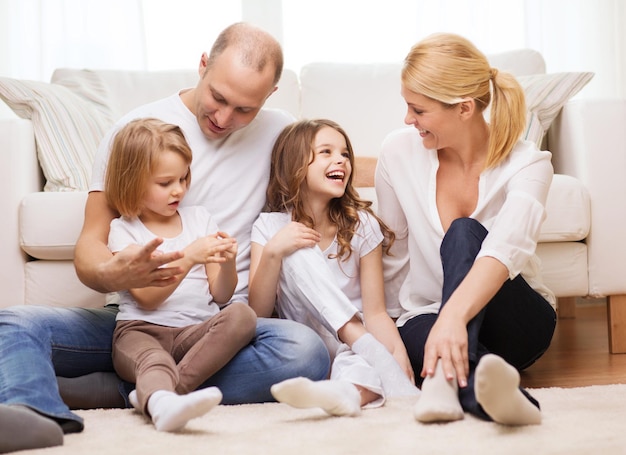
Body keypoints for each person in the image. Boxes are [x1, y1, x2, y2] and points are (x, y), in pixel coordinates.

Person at [0, 22, 330, 453]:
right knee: (16, 324)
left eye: (245, 110)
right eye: (218, 97)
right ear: (202, 65)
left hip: (215, 330)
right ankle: (33, 412)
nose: (224, 119)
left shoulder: (281, 134)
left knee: (305, 351)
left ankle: (140, 392)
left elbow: (331, 176)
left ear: (269, 97)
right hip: (135, 321)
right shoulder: (136, 130)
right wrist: (112, 270)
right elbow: (92, 243)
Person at [375, 33, 557, 426]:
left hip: (515, 321)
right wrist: (385, 331)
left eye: (417, 110)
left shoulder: (529, 164)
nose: (408, 120)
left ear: (464, 108)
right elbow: (394, 253)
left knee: (464, 232)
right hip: (427, 316)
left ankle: (443, 378)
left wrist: (453, 317)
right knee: (414, 334)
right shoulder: (397, 153)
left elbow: (505, 249)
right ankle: (484, 391)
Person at [248, 119, 419, 417]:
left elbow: (376, 312)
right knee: (295, 244)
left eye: (344, 154)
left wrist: (396, 354)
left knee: (359, 366)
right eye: (326, 152)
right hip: (305, 345)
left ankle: (346, 394)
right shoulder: (270, 227)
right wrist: (274, 252)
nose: (340, 159)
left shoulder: (361, 224)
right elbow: (259, 313)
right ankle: (362, 350)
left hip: (355, 345)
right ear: (294, 164)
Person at [106, 118, 258, 432]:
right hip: (141, 332)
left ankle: (159, 397)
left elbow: (221, 295)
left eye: (184, 178)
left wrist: (228, 262)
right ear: (133, 182)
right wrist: (189, 257)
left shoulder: (199, 218)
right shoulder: (124, 230)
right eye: (165, 183)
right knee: (156, 362)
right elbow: (147, 298)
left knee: (242, 315)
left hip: (194, 332)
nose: (179, 189)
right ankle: (161, 399)